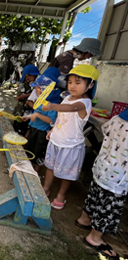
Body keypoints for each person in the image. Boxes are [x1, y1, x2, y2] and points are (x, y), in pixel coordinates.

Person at [42, 64, 100, 210]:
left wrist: (52, 106)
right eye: (70, 82)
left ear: (90, 84)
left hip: (70, 146)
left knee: (66, 174)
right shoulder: (68, 97)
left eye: (78, 82)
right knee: (50, 167)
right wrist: (54, 129)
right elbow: (62, 117)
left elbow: (70, 109)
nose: (72, 86)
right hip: (56, 140)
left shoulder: (84, 103)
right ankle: (45, 189)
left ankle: (61, 196)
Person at [75, 107, 128, 260]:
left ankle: (84, 219)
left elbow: (103, 128)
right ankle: (95, 237)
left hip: (102, 168)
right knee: (108, 208)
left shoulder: (117, 119)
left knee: (94, 196)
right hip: (118, 178)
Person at [23, 67, 61, 173]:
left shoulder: (52, 104)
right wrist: (28, 117)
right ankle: (26, 168)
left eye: (38, 88)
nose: (36, 90)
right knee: (29, 149)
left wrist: (37, 115)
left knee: (39, 154)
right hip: (34, 129)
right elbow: (36, 113)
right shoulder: (40, 100)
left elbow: (51, 121)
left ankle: (35, 172)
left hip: (42, 134)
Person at [12, 65, 40, 136]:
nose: (36, 77)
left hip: (27, 111)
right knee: (18, 128)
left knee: (24, 129)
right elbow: (18, 97)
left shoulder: (34, 84)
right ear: (27, 76)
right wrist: (31, 94)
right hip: (21, 110)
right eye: (34, 76)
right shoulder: (23, 85)